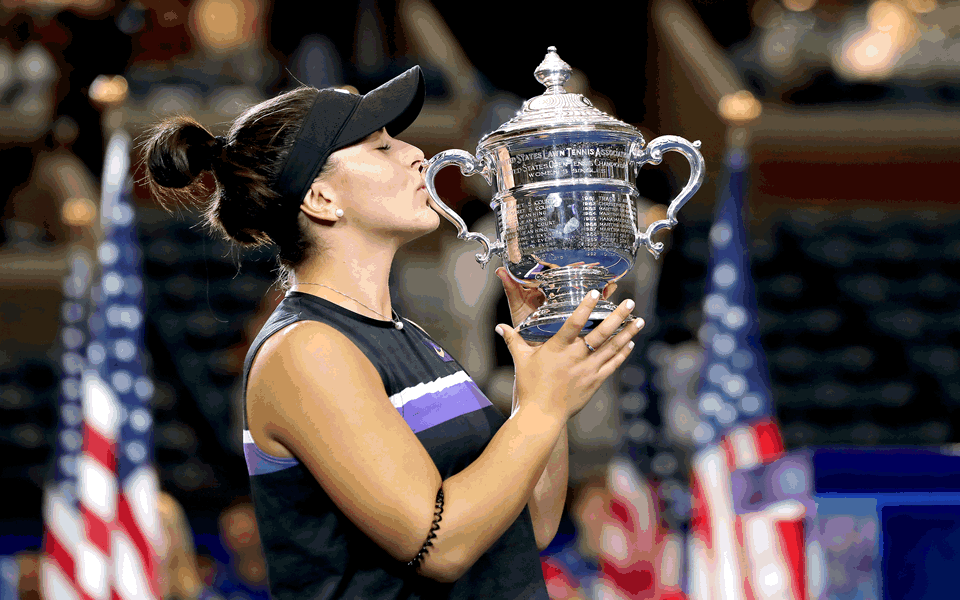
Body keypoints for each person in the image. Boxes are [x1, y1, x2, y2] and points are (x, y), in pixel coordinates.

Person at [141, 65, 644, 600]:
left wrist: (540, 376)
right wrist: (543, 408)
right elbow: (441, 546)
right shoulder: (305, 349)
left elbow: (528, 524)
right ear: (320, 199)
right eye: (380, 147)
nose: (415, 154)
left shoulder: (405, 336)